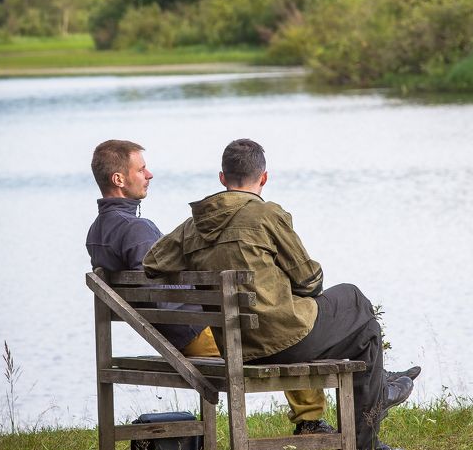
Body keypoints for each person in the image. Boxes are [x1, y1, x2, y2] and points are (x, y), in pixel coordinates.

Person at [143, 138, 420, 450]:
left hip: (235, 348)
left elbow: (152, 263)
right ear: (263, 178)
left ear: (222, 178)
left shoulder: (193, 227)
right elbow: (310, 280)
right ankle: (369, 432)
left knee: (360, 324)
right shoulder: (266, 215)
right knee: (355, 302)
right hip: (284, 341)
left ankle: (379, 390)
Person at [86, 139, 329, 430]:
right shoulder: (137, 230)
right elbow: (159, 292)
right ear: (119, 179)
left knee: (272, 318)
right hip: (197, 333)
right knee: (281, 325)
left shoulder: (97, 232)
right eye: (142, 169)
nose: (149, 175)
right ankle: (311, 419)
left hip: (170, 335)